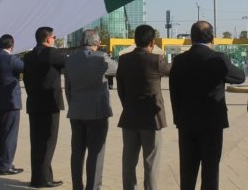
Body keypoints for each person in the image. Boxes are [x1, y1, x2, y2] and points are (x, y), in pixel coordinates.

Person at [169, 20, 246, 190]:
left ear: (191, 38)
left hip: (187, 123)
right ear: (212, 37)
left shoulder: (180, 60)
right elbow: (240, 77)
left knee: (187, 171)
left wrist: (178, 118)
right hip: (212, 124)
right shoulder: (218, 58)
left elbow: (173, 92)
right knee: (210, 170)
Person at [116, 24, 171, 190]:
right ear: (152, 42)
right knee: (151, 162)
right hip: (152, 119)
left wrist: (128, 105)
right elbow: (172, 71)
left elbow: (120, 89)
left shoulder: (124, 60)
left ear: (134, 40)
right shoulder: (155, 60)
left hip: (130, 116)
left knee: (128, 161)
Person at [65, 29, 118, 190]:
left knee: (77, 153)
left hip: (76, 111)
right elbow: (118, 69)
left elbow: (68, 88)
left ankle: (77, 186)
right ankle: (93, 187)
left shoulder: (70, 60)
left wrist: (73, 104)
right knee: (96, 153)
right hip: (97, 112)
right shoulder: (101, 58)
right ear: (96, 43)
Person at [23, 27, 67, 188]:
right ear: (49, 39)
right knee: (49, 142)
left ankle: (39, 177)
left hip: (34, 102)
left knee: (36, 142)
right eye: (54, 37)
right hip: (50, 103)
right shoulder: (52, 53)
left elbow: (26, 80)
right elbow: (69, 64)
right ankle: (43, 179)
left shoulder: (28, 56)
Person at [0, 34, 24, 175]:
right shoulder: (11, 59)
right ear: (12, 45)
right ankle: (6, 165)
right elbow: (24, 68)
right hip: (10, 101)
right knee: (10, 134)